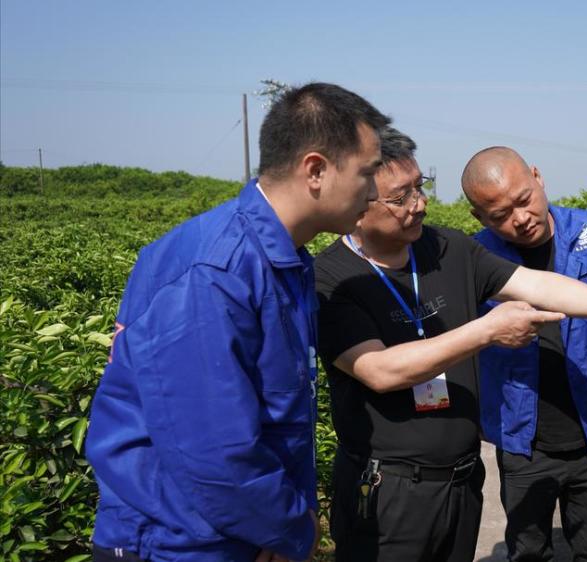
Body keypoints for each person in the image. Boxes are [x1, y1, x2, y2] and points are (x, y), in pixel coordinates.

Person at [314, 129, 587, 562]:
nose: (419, 203)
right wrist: (488, 330)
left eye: (420, 187)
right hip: (388, 488)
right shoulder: (329, 279)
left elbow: (538, 285)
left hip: (462, 478)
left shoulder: (446, 247)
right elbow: (379, 370)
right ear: (355, 204)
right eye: (401, 197)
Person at [85, 82, 390, 562]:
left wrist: (274, 526)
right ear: (316, 170)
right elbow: (215, 452)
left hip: (238, 533)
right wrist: (290, 528)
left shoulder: (281, 259)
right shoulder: (216, 271)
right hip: (180, 544)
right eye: (367, 173)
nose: (373, 192)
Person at [462, 146, 587, 561]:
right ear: (480, 217)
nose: (520, 218)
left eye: (524, 199)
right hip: (523, 436)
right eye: (500, 215)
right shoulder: (476, 259)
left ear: (537, 177)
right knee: (529, 549)